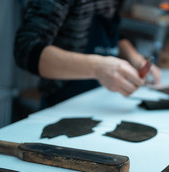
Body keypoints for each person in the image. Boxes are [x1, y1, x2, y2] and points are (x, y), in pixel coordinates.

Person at [14, 0, 161, 108]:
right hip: (62, 105)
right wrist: (97, 67)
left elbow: (113, 32)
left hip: (100, 103)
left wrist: (133, 57)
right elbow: (26, 48)